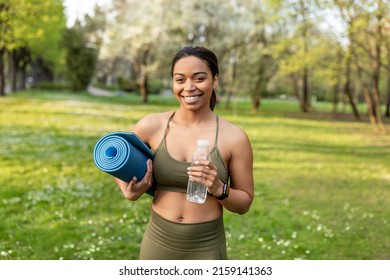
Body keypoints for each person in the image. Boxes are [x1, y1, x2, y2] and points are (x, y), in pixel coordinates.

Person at [114, 45, 254, 260]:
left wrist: (219, 188)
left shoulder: (234, 137)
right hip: (158, 242)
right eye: (180, 80)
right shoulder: (152, 125)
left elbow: (244, 203)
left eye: (199, 78)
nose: (189, 87)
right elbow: (119, 158)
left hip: (206, 247)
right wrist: (127, 189)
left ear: (215, 80)